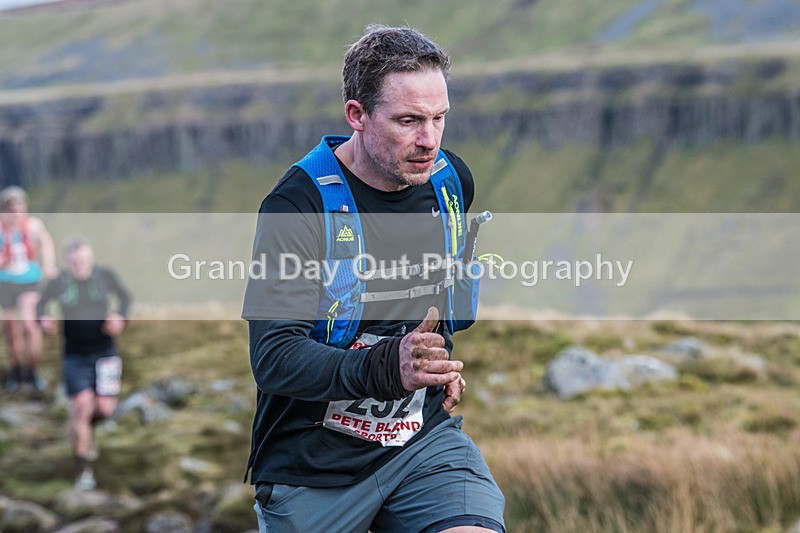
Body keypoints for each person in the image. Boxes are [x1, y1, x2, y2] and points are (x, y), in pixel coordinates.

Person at [242, 25, 505, 532]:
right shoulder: (296, 207)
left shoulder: (450, 184)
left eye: (439, 118)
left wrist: (434, 363)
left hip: (421, 443)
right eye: (408, 121)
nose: (429, 141)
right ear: (356, 115)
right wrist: (388, 369)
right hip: (314, 465)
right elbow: (273, 358)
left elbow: (434, 306)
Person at [37, 236, 131, 491]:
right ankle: (83, 470)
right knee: (81, 405)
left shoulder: (105, 275)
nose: (80, 266)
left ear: (91, 259)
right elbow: (40, 305)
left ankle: (85, 430)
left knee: (105, 409)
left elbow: (125, 298)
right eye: (75, 262)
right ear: (67, 261)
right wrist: (43, 318)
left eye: (84, 261)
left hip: (105, 353)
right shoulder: (58, 283)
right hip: (75, 355)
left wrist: (119, 316)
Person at [0, 186, 57, 392]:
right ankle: (16, 370)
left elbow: (46, 241)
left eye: (19, 208)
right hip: (5, 283)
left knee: (30, 326)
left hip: (29, 283)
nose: (15, 214)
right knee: (11, 330)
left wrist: (49, 264)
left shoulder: (33, 225)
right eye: (11, 210)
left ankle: (31, 371)